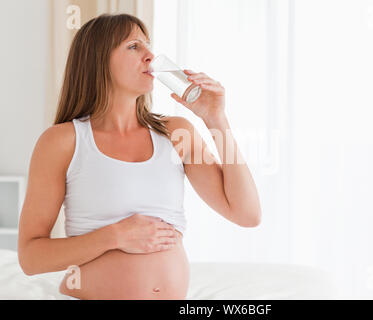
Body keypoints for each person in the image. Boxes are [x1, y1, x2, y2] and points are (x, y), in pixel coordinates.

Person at [17, 13, 261, 300]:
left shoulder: (176, 133)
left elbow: (247, 214)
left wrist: (216, 119)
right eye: (134, 47)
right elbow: (31, 258)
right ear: (98, 60)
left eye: (148, 45)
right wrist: (115, 236)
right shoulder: (62, 141)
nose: (151, 56)